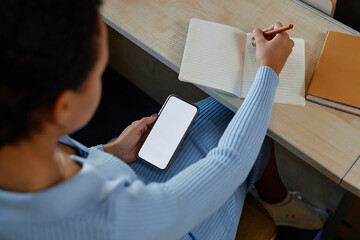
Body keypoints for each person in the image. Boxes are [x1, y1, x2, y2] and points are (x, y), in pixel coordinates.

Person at [0, 0, 326, 239]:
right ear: (63, 106)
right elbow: (228, 164)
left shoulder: (19, 130)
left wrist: (108, 151)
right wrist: (268, 72)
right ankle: (280, 205)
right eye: (99, 71)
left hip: (122, 178)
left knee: (236, 116)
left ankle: (277, 201)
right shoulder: (103, 220)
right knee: (250, 122)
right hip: (169, 224)